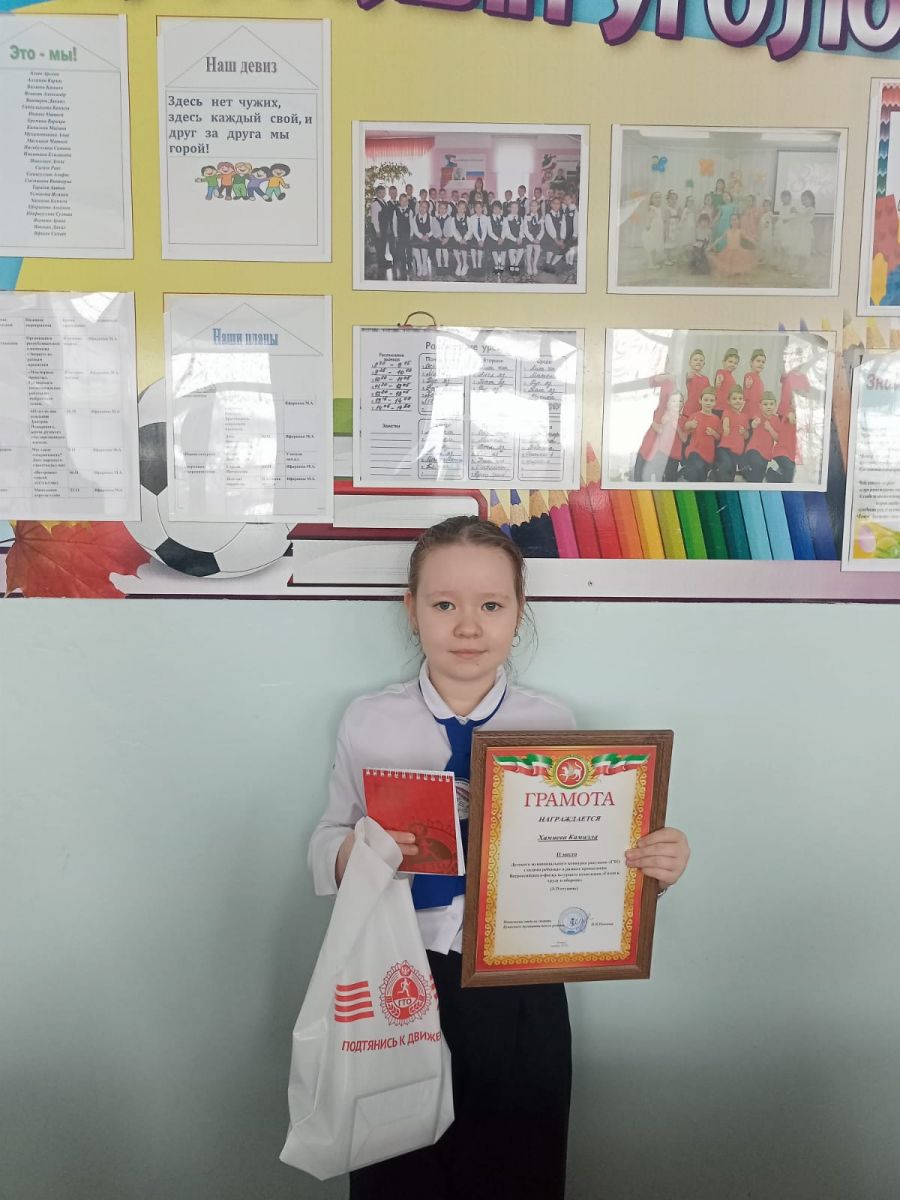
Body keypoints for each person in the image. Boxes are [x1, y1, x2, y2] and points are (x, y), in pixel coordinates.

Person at [308, 517, 691, 1200]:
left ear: (519, 611)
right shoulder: (369, 720)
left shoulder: (553, 725)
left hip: (521, 985)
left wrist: (653, 866)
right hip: (400, 975)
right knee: (398, 1173)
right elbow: (326, 836)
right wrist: (354, 851)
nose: (467, 626)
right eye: (443, 604)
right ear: (411, 609)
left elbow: (582, 857)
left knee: (517, 1170)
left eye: (491, 605)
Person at [681, 388, 721, 482]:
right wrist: (689, 425)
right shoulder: (694, 416)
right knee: (696, 470)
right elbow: (685, 431)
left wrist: (713, 433)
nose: (708, 403)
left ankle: (687, 470)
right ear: (700, 400)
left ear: (715, 403)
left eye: (711, 400)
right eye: (705, 400)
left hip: (708, 454)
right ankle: (688, 470)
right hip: (694, 450)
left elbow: (719, 437)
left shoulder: (716, 419)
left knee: (701, 478)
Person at [713, 388, 750, 482]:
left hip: (736, 451)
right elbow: (726, 421)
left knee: (730, 478)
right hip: (725, 448)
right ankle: (717, 472)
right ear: (728, 401)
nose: (737, 401)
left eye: (740, 398)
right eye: (734, 399)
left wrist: (743, 432)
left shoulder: (745, 416)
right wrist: (726, 428)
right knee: (726, 465)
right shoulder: (727, 412)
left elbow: (746, 436)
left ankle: (714, 474)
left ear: (743, 401)